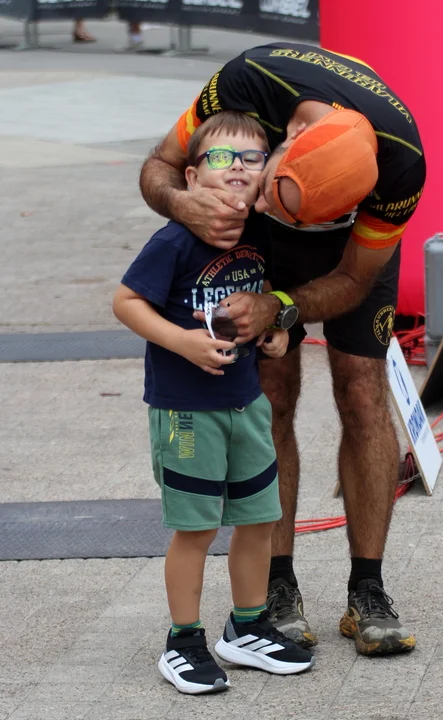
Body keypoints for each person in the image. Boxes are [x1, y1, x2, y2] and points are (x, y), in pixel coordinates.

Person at [139, 42, 426, 657]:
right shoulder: (249, 81)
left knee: (362, 391)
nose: (262, 201)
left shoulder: (402, 163)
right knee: (270, 391)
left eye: (286, 206)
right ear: (289, 136)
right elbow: (161, 166)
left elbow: (354, 280)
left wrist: (283, 306)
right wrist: (183, 204)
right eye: (270, 190)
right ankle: (276, 586)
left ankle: (368, 590)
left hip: (349, 256)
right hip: (258, 245)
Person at [113, 111, 315, 695]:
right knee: (196, 528)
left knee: (259, 519)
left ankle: (246, 627)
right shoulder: (174, 240)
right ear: (193, 176)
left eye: (253, 158)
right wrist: (181, 342)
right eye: (221, 158)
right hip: (186, 412)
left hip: (246, 404)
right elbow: (126, 302)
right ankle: (183, 641)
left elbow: (268, 296)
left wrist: (276, 330)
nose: (238, 169)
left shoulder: (260, 235)